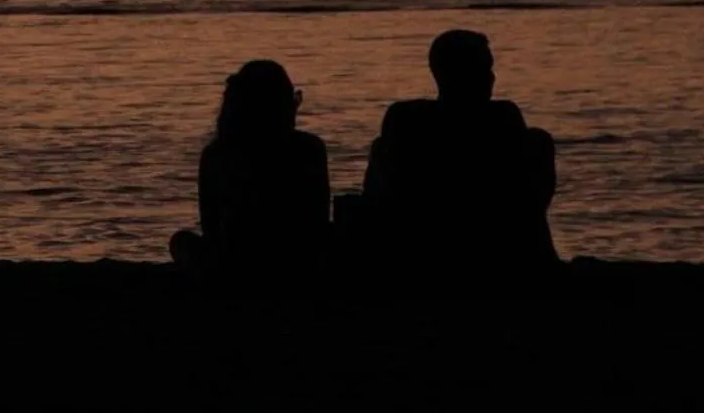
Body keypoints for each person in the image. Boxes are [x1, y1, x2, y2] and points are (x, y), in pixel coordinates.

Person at [357, 29, 558, 284]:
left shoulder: (404, 120)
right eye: (484, 68)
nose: (491, 77)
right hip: (492, 255)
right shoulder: (502, 118)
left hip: (414, 257)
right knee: (539, 140)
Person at [169, 59, 329, 283]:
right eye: (291, 100)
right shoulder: (310, 149)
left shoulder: (217, 155)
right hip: (297, 262)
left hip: (236, 264)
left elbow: (211, 227)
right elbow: (318, 220)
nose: (295, 108)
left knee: (181, 241)